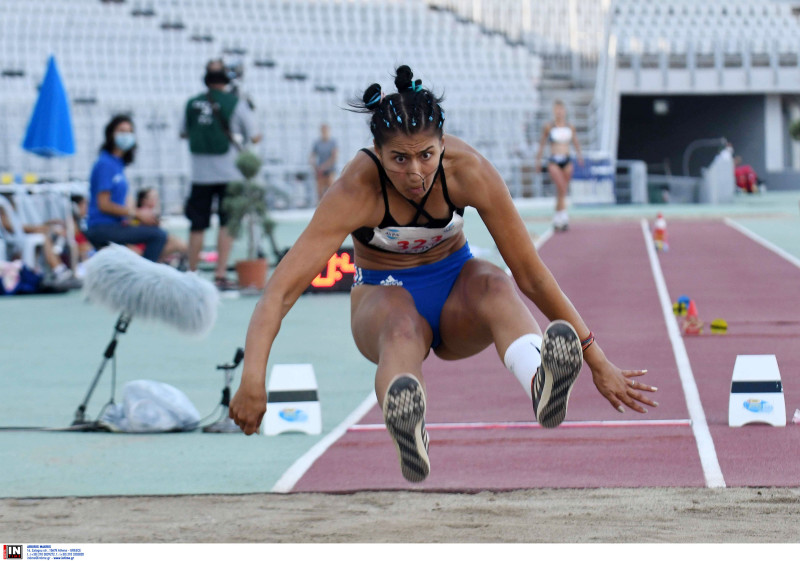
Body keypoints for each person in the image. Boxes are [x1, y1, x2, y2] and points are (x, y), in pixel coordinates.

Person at [229, 66, 657, 483]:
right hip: (383, 299)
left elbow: (532, 274)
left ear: (442, 144)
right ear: (377, 153)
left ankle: (540, 380)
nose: (414, 172)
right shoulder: (355, 190)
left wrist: (596, 360)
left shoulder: (468, 170)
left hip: (456, 299)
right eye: (398, 158)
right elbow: (281, 291)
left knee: (495, 280)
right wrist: (253, 376)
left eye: (426, 155)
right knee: (400, 321)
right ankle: (407, 421)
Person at [181, 59, 262, 290]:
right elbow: (254, 135)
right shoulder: (236, 103)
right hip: (229, 173)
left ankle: (191, 274)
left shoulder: (192, 103)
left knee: (197, 224)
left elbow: (184, 132)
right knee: (226, 224)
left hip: (199, 174)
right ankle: (220, 275)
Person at [85, 115, 167, 262]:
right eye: (121, 131)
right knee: (158, 235)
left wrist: (138, 217)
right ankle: (144, 278)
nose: (126, 136)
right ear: (111, 134)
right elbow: (103, 204)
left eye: (129, 132)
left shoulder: (118, 164)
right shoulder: (106, 164)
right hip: (102, 227)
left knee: (159, 236)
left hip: (114, 225)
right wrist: (136, 214)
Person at [534, 100, 584, 232]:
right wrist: (538, 161)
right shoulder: (549, 127)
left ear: (564, 111)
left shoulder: (569, 127)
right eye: (556, 110)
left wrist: (579, 156)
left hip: (567, 160)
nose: (559, 112)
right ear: (553, 111)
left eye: (561, 109)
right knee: (561, 187)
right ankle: (564, 216)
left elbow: (575, 143)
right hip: (554, 161)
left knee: (562, 190)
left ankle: (557, 218)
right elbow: (542, 144)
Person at [135, 188, 188, 266]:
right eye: (153, 198)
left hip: (147, 246)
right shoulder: (144, 213)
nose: (156, 201)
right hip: (144, 248)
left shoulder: (141, 213)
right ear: (144, 200)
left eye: (156, 198)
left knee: (177, 242)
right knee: (179, 244)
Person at [309, 123, 338, 202]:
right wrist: (314, 165)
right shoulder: (317, 143)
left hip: (330, 170)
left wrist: (324, 166)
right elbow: (312, 156)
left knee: (332, 190)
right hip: (320, 171)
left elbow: (334, 157)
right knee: (320, 192)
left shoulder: (333, 142)